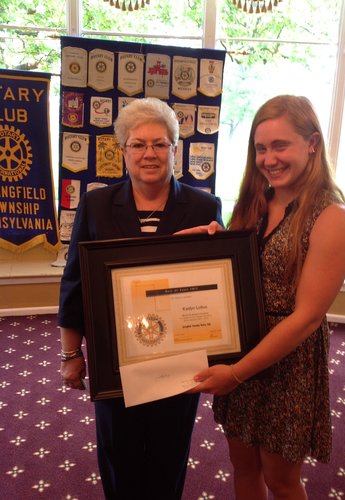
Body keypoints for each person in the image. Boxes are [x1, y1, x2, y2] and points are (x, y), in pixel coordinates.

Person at [185, 95, 345, 499]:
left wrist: (238, 372)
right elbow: (237, 273)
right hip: (240, 343)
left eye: (281, 146)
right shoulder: (256, 200)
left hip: (285, 363)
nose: (269, 159)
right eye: (261, 148)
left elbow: (307, 318)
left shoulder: (333, 217)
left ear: (312, 143)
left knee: (281, 480)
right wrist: (206, 245)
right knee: (243, 468)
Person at [58, 97, 223, 500]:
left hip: (180, 359)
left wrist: (219, 250)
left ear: (174, 149)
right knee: (119, 455)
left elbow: (219, 287)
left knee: (169, 454)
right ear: (123, 150)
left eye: (160, 143)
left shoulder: (204, 206)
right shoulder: (97, 204)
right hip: (115, 360)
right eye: (138, 144)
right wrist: (71, 354)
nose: (149, 153)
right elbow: (75, 281)